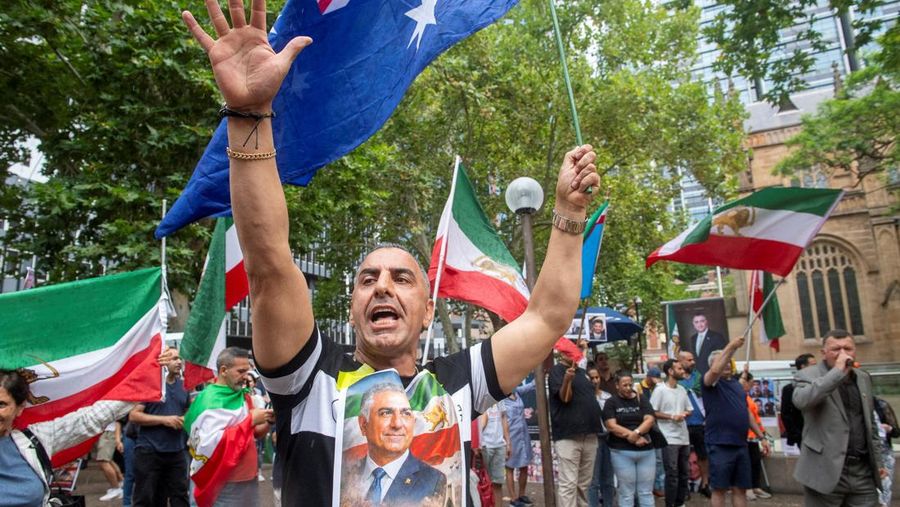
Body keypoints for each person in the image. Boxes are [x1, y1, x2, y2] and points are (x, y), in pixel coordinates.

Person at [179, 1, 600, 505]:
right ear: (353, 307)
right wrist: (249, 113)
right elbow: (268, 260)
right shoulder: (307, 377)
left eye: (402, 278)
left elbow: (549, 314)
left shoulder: (458, 384)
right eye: (367, 278)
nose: (382, 285)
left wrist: (569, 213)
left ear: (428, 312)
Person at [0, 349, 177, 507]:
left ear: (20, 407)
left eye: (1, 404)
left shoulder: (33, 439)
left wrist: (151, 369)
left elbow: (90, 419)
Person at [792, 329, 884, 506]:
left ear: (855, 350)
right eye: (836, 349)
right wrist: (836, 372)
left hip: (862, 471)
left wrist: (878, 462)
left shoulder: (863, 377)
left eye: (848, 348)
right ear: (823, 353)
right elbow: (802, 401)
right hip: (824, 469)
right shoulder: (807, 375)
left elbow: (869, 424)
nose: (842, 353)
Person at [188, 347, 273, 506]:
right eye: (240, 371)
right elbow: (209, 445)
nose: (245, 377)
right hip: (225, 483)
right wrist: (250, 420)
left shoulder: (242, 395)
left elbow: (253, 434)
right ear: (223, 370)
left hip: (248, 479)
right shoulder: (208, 400)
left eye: (247, 371)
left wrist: (269, 421)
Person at [343, 383, 447, 506]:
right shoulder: (344, 476)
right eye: (385, 413)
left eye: (405, 413)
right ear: (363, 424)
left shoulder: (432, 481)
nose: (397, 424)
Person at [702, 337, 768, 507]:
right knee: (720, 488)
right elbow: (715, 370)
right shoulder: (710, 382)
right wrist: (731, 346)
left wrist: (761, 436)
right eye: (723, 361)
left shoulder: (737, 386)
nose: (726, 364)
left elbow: (746, 412)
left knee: (740, 488)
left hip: (740, 443)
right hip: (720, 443)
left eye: (728, 361)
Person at [129, 356, 191, 507]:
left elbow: (188, 411)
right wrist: (165, 420)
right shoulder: (151, 386)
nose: (179, 362)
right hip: (150, 451)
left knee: (180, 496)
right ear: (163, 362)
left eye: (180, 359)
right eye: (174, 358)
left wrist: (185, 418)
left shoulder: (184, 387)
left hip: (177, 451)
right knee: (146, 498)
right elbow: (134, 415)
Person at [550, 353, 603, 507]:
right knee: (569, 483)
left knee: (584, 484)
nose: (574, 354)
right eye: (570, 351)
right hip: (569, 436)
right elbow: (564, 398)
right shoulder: (556, 371)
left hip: (590, 434)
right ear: (562, 353)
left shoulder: (582, 372)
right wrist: (567, 380)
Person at [603, 371, 656, 507]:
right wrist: (632, 436)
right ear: (617, 385)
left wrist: (636, 433)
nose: (628, 388)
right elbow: (611, 425)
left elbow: (649, 419)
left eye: (630, 384)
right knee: (626, 492)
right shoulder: (611, 402)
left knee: (646, 492)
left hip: (646, 451)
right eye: (624, 385)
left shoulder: (641, 398)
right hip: (622, 452)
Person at [651, 359, 692, 507]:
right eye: (679, 368)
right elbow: (653, 412)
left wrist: (685, 414)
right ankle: (670, 504)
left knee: (684, 473)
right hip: (668, 437)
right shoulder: (660, 389)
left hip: (683, 437)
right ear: (670, 371)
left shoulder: (681, 389)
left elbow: (690, 409)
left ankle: (680, 503)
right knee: (672, 473)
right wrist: (672, 416)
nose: (682, 371)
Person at [677, 350, 710, 498]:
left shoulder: (699, 378)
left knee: (703, 455)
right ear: (681, 361)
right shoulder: (675, 379)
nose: (693, 362)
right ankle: (683, 487)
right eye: (689, 360)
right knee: (682, 457)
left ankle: (705, 484)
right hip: (682, 423)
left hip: (700, 422)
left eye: (693, 360)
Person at [737, 368, 771, 501]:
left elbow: (755, 418)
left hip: (754, 435)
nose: (751, 386)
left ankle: (756, 486)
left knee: (755, 461)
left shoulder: (749, 397)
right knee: (747, 462)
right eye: (750, 383)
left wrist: (761, 434)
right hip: (744, 434)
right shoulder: (740, 397)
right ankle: (748, 488)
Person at [500, 381, 535, 507]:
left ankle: (522, 495)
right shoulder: (501, 400)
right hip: (511, 437)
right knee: (510, 467)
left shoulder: (517, 392)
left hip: (523, 435)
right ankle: (513, 498)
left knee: (524, 466)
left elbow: (531, 386)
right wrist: (507, 442)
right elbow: (502, 421)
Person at [587, 365, 615, 507]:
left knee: (608, 478)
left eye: (597, 377)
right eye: (591, 378)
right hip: (592, 438)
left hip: (608, 438)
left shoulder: (607, 397)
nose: (595, 380)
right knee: (593, 480)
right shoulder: (584, 398)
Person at [779, 353, 815, 448]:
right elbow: (786, 413)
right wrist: (797, 434)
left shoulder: (819, 384)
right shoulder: (789, 389)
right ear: (803, 367)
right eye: (813, 365)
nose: (817, 368)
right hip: (803, 435)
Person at [479, 400, 509, 505]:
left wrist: (508, 442)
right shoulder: (480, 396)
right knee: (483, 483)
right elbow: (480, 423)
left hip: (499, 444)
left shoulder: (499, 397)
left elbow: (504, 417)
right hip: (485, 445)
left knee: (498, 483)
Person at [874, 397, 899, 507]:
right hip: (864, 454)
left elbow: (896, 432)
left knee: (885, 487)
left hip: (884, 453)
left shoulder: (881, 404)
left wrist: (889, 428)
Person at [94, 420, 125, 501]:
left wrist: (118, 439)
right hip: (109, 432)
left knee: (103, 461)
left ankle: (116, 489)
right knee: (108, 460)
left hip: (110, 432)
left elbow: (118, 420)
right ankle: (120, 483)